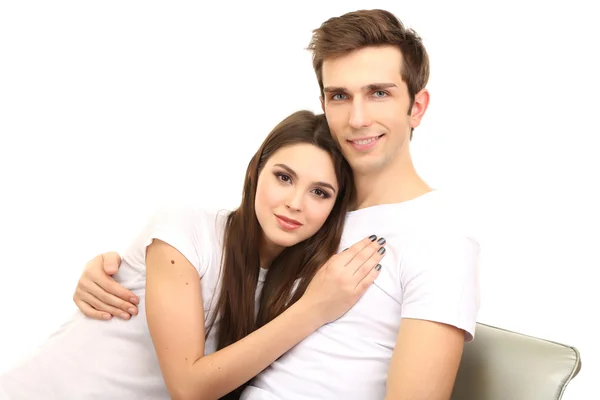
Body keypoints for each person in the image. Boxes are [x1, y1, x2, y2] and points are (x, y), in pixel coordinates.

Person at [69, 8, 480, 399]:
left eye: (379, 93)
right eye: (339, 95)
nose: (357, 118)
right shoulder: (312, 213)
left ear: (417, 107)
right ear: (324, 104)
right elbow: (223, 270)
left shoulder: (439, 238)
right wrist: (125, 273)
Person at [0, 110, 388, 400]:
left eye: (320, 192)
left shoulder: (311, 281)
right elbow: (188, 386)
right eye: (283, 177)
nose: (293, 203)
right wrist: (314, 309)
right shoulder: (185, 231)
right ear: (255, 172)